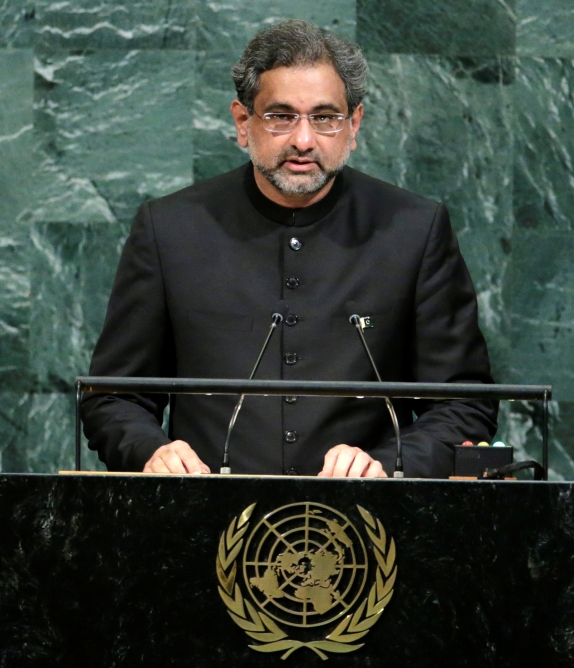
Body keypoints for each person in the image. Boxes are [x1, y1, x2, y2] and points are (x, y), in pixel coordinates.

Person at [80, 19, 497, 478]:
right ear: (243, 122)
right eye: (281, 116)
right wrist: (151, 452)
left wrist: (385, 465)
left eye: (324, 118)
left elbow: (465, 404)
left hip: (367, 530)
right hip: (200, 520)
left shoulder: (415, 230)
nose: (303, 140)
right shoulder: (170, 229)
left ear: (353, 124)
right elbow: (114, 397)